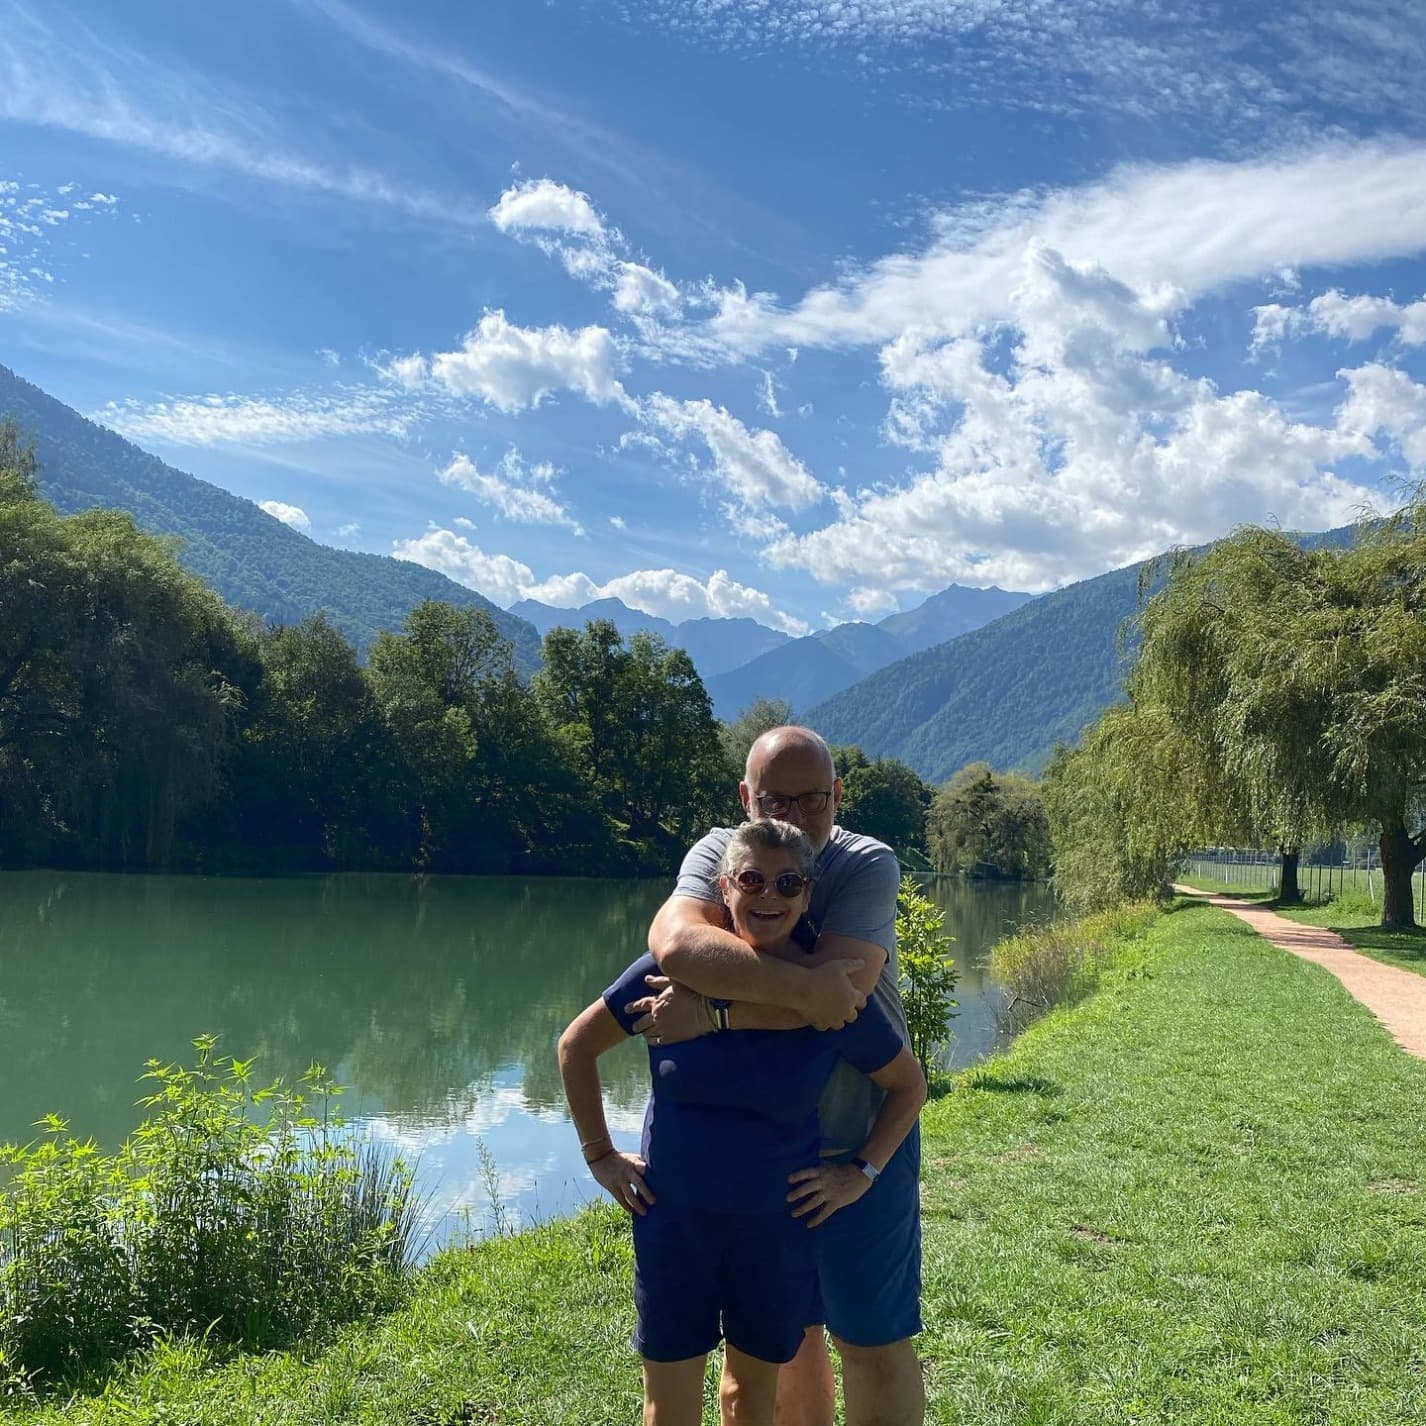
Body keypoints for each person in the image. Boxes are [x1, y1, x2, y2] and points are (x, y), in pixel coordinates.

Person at [559, 819, 926, 1426]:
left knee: (748, 1399)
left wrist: (861, 1172)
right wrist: (600, 1154)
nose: (769, 896)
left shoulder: (826, 993)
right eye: (751, 880)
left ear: (808, 895)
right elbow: (576, 1046)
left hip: (772, 1233)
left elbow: (909, 1085)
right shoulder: (670, 974)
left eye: (788, 883)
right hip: (674, 1222)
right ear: (724, 887)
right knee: (668, 1405)